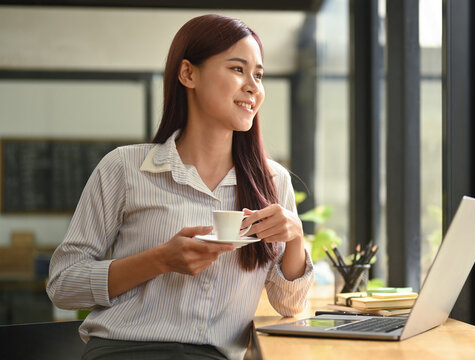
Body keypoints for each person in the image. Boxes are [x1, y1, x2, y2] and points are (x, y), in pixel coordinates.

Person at [46, 14, 313, 360]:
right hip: (123, 351)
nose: (253, 87)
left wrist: (294, 237)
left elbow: (290, 306)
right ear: (188, 74)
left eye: (258, 75)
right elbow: (63, 286)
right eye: (237, 69)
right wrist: (160, 259)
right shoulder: (125, 168)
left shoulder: (273, 182)